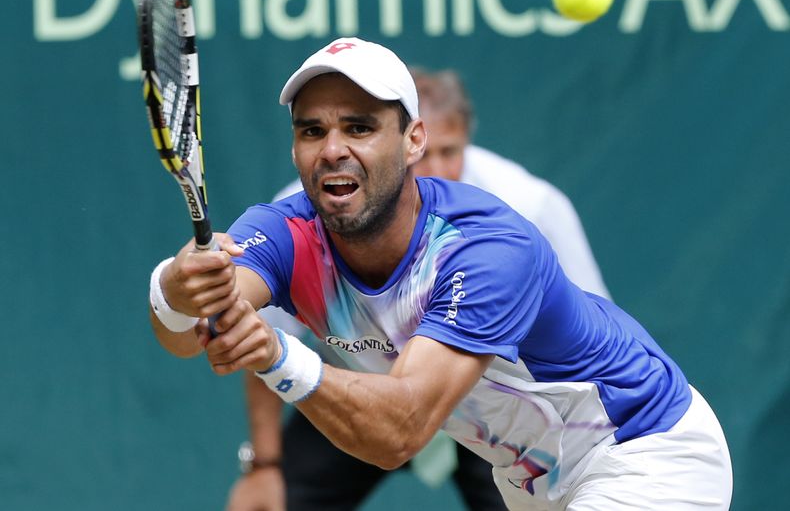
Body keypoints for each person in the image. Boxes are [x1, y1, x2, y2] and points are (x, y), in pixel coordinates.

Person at [149, 37, 733, 510]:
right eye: (312, 130)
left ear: (413, 141)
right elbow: (187, 334)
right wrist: (176, 290)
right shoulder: (283, 230)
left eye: (359, 127)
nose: (332, 149)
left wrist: (277, 356)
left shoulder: (486, 249)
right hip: (530, 477)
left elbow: (399, 431)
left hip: (643, 449)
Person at [226, 67, 612, 511]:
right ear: (403, 145)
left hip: (494, 401)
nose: (437, 169)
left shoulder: (529, 205)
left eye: (451, 151)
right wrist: (264, 467)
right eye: (428, 155)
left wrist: (593, 450)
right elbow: (268, 333)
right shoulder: (317, 204)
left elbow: (589, 328)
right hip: (356, 388)